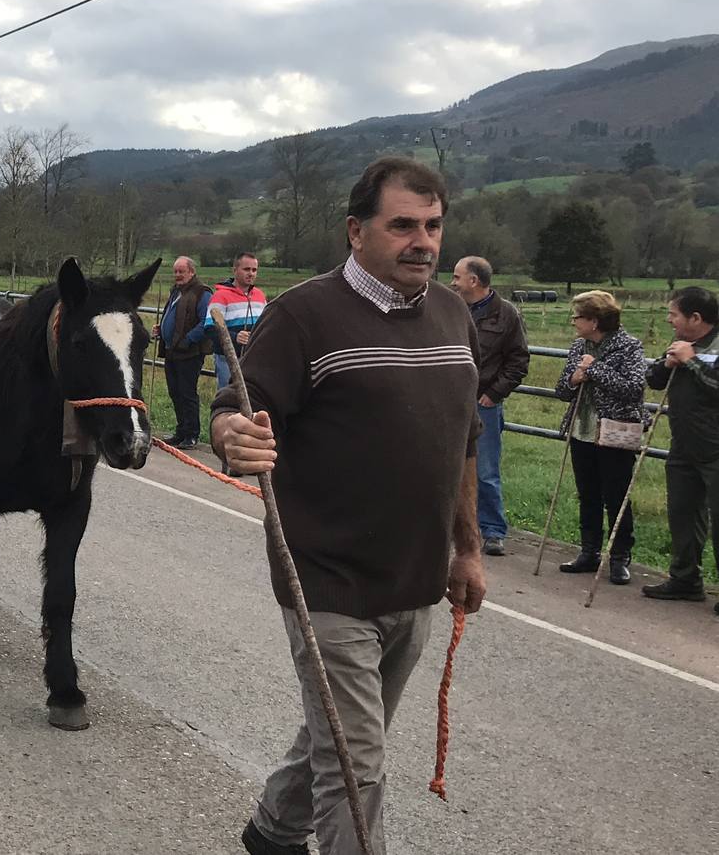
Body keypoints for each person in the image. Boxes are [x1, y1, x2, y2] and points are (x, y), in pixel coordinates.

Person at [211, 157, 485, 855]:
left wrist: (469, 548)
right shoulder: (303, 314)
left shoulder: (454, 313)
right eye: (401, 225)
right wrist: (232, 436)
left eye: (431, 225)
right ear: (355, 231)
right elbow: (235, 409)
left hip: (415, 581)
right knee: (356, 764)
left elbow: (461, 445)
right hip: (325, 577)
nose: (422, 241)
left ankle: (272, 831)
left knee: (340, 736)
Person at [554, 290, 646, 585]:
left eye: (577, 316)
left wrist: (594, 368)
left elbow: (633, 388)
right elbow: (562, 391)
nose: (573, 322)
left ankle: (619, 557)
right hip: (582, 429)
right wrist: (574, 379)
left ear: (594, 321)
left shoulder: (629, 347)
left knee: (616, 495)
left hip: (615, 431)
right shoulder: (578, 345)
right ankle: (589, 551)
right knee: (588, 492)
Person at [644, 286, 719, 607]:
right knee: (683, 514)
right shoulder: (683, 344)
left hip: (715, 448)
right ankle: (685, 578)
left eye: (674, 314)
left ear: (696, 317)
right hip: (684, 445)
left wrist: (692, 364)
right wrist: (668, 364)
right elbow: (654, 379)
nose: (669, 320)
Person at [450, 255, 529, 556]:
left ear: (474, 281)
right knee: (444, 465)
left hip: (483, 402)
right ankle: (449, 527)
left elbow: (519, 360)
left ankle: (493, 531)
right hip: (450, 399)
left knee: (485, 469)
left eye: (457, 277)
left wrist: (495, 393)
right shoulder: (449, 307)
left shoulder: (506, 314)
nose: (453, 282)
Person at [155, 255, 213, 447]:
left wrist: (187, 340)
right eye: (176, 271)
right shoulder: (176, 292)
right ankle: (180, 432)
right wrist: (161, 329)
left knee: (187, 393)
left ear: (192, 272)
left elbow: (206, 321)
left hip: (189, 353)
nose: (178, 275)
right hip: (172, 351)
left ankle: (192, 434)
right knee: (175, 392)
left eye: (182, 271)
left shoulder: (201, 293)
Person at [206, 252, 266, 389]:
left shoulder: (260, 295)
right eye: (246, 269)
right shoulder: (220, 296)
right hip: (227, 359)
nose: (251, 273)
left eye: (254, 270)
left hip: (253, 359)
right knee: (229, 397)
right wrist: (235, 337)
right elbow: (210, 329)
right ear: (235, 270)